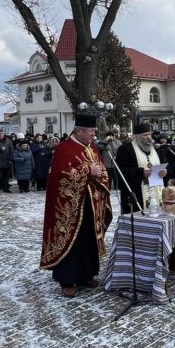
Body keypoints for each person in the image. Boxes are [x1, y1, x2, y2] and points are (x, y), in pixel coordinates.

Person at [40, 114, 112, 298]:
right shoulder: (64, 148)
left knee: (89, 240)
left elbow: (101, 169)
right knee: (73, 241)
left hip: (91, 205)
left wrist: (100, 174)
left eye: (94, 132)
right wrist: (88, 170)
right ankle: (67, 280)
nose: (93, 135)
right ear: (79, 131)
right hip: (71, 206)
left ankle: (86, 274)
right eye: (90, 131)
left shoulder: (92, 148)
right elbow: (61, 174)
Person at [114, 122, 164, 213]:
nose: (149, 137)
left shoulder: (154, 149)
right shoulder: (125, 149)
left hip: (155, 192)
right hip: (136, 195)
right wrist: (141, 172)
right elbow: (120, 172)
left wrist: (163, 172)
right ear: (135, 136)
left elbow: (159, 169)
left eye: (149, 134)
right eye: (145, 135)